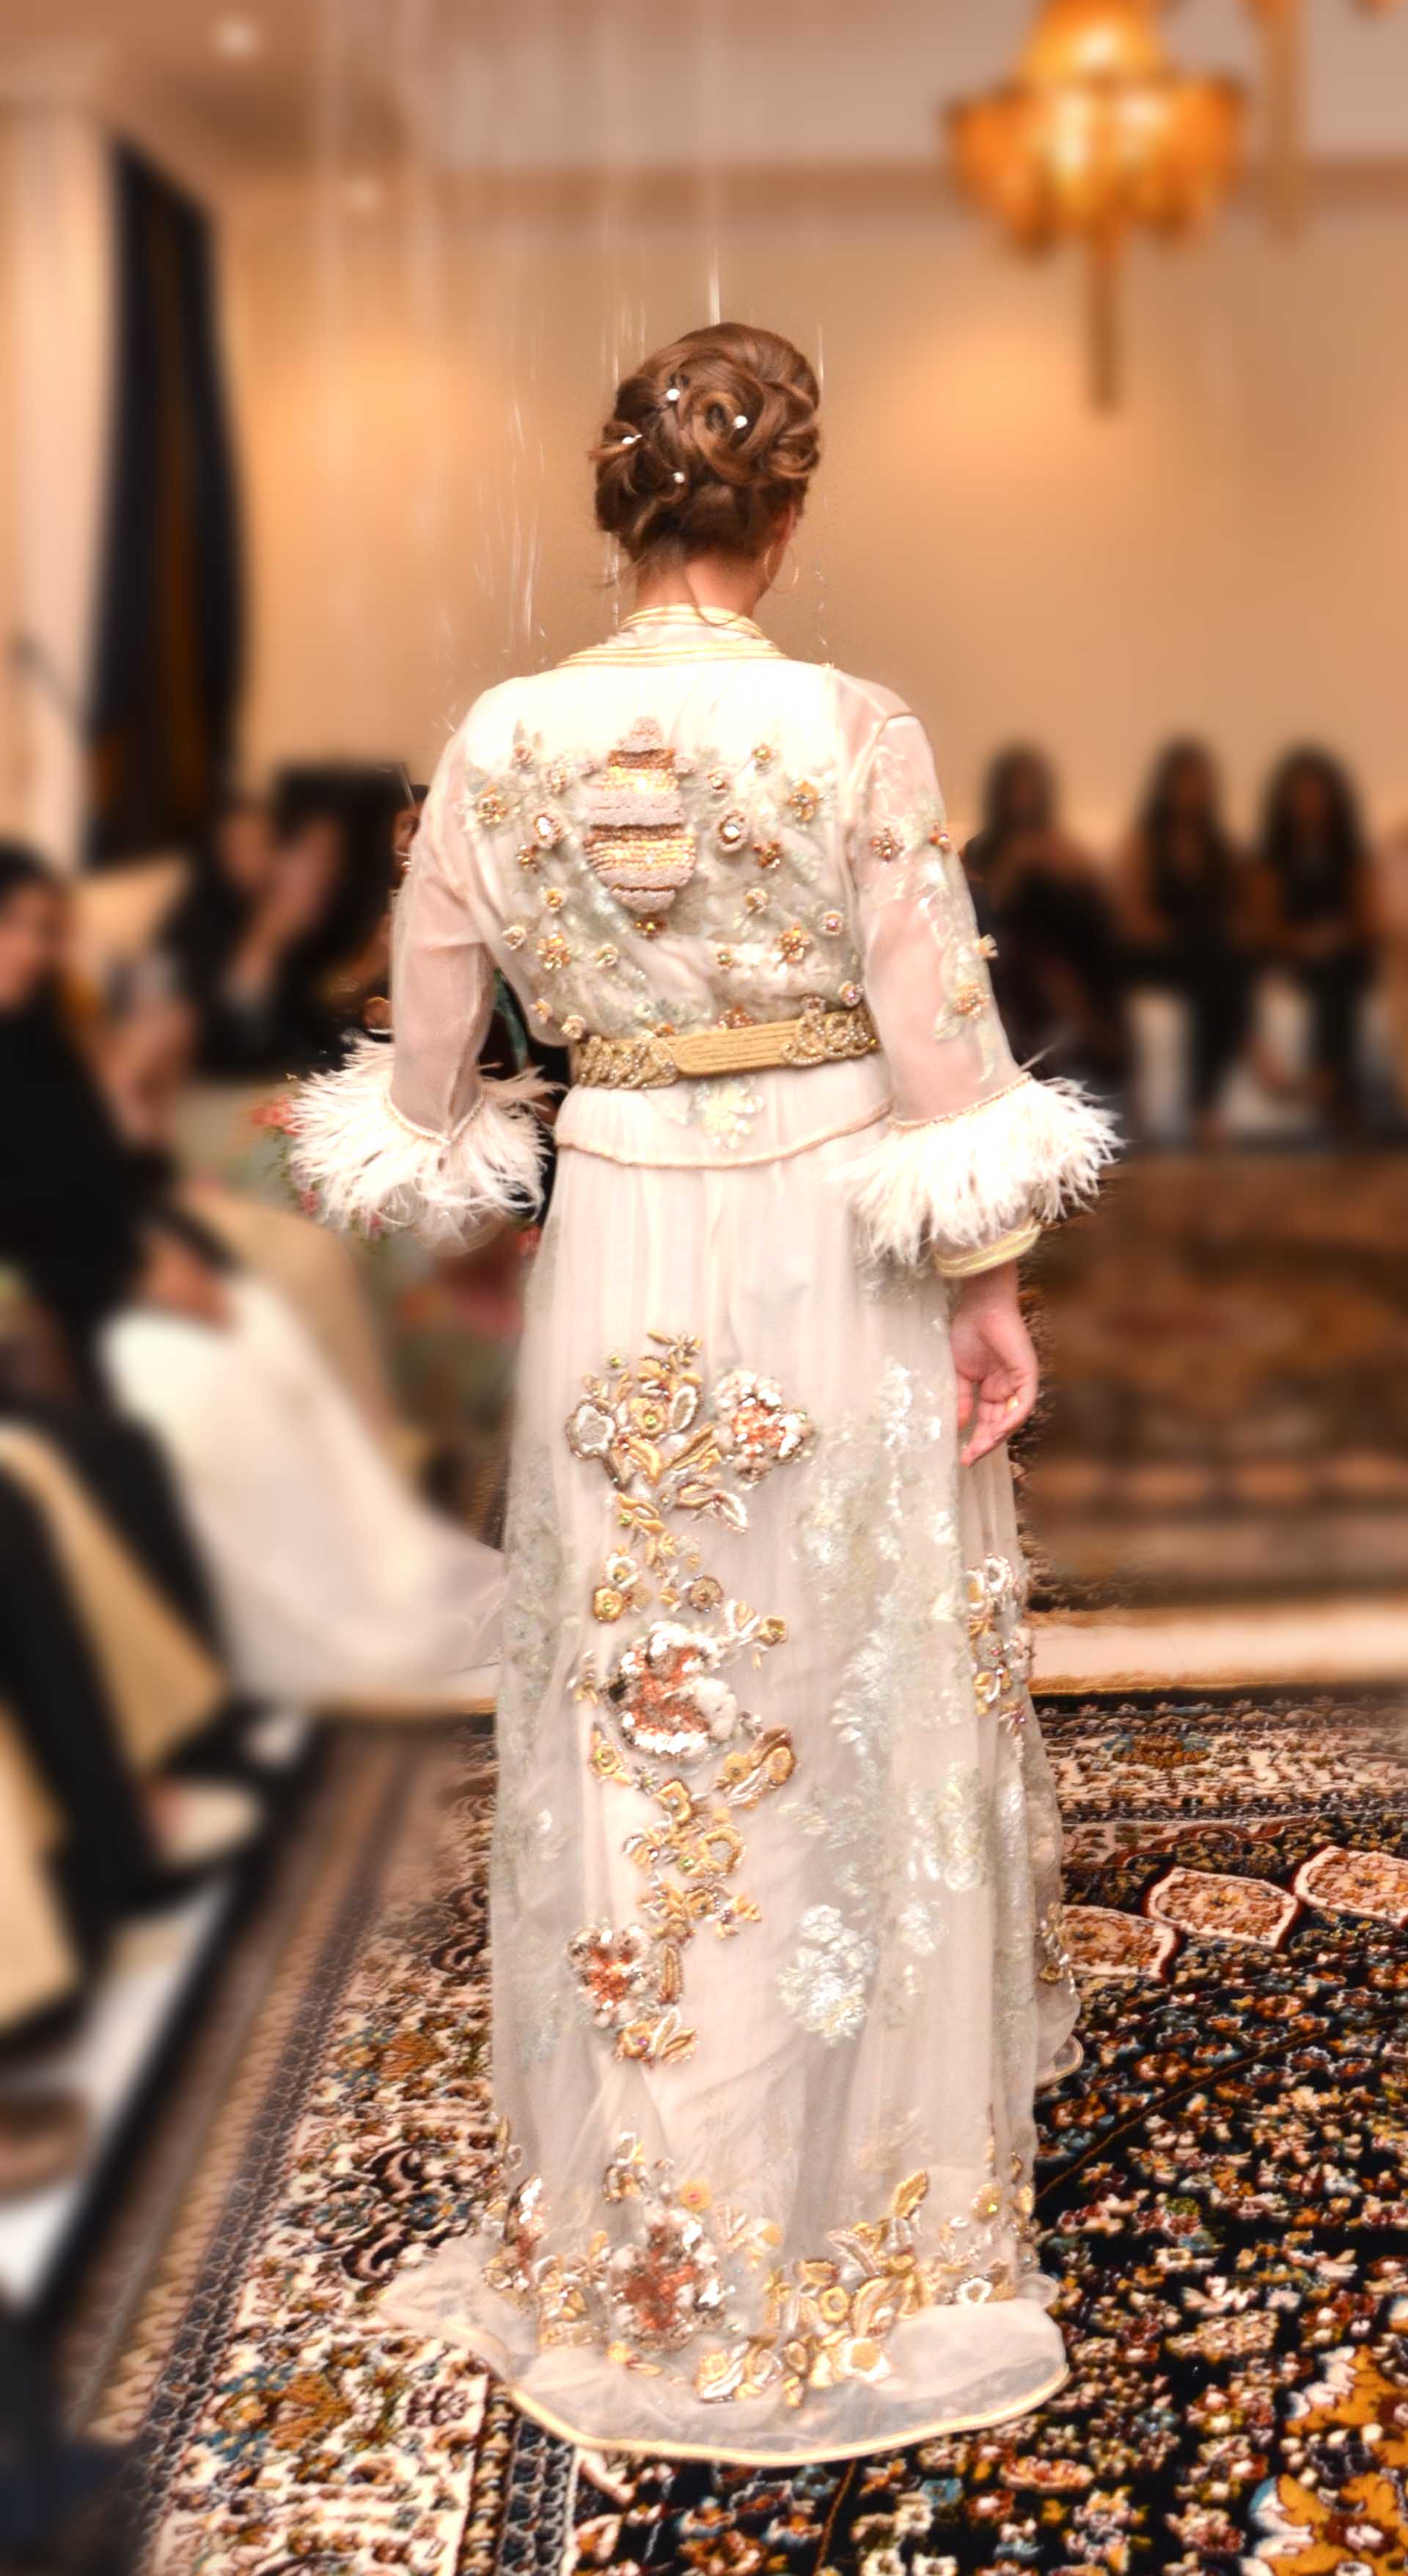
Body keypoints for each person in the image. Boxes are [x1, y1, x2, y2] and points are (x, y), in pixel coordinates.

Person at [291, 322, 1115, 2460]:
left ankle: (651, 2223)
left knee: (640, 1706)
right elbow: (942, 1045)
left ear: (617, 505)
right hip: (832, 1232)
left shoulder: (496, 740)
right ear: (789, 512)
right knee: (838, 1685)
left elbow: (425, 1076)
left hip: (627, 1235)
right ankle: (854, 2211)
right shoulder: (850, 727)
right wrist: (990, 1287)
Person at [0, 845, 502, 1710]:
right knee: (199, 1381)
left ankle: (386, 1581)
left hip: (115, 1267)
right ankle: (322, 1630)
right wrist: (131, 1277)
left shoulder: (38, 1045)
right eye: (14, 927)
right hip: (68, 1308)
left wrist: (153, 1214)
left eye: (46, 931)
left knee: (265, 1337)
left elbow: (109, 1177)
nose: (33, 949)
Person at [964, 745, 1126, 1093]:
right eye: (1017, 787)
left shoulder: (1061, 846)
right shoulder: (980, 849)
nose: (1025, 797)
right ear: (1001, 794)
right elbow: (984, 913)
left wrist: (1071, 869)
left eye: (1032, 787)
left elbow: (1090, 915)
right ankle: (1075, 1031)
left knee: (1086, 940)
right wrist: (1017, 864)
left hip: (1062, 955)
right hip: (1010, 955)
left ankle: (1097, 1034)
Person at [1115, 738, 1252, 1144]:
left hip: (1201, 960)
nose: (1193, 791)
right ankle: (1212, 1092)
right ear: (1167, 786)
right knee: (1216, 958)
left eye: (1200, 781)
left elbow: (1239, 911)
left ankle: (1203, 1104)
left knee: (1219, 967)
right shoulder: (1145, 842)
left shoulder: (1219, 847)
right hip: (1148, 954)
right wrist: (1190, 935)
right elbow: (1134, 921)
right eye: (1185, 781)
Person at [1247, 746, 1377, 1131]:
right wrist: (1303, 941)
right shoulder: (1273, 856)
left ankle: (1330, 1083)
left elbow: (1367, 918)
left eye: (1317, 794)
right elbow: (1265, 924)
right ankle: (1338, 1094)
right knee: (1331, 974)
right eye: (1301, 795)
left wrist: (1337, 935)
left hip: (1344, 952)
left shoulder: (1350, 852)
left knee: (1342, 971)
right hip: (1291, 953)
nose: (1310, 803)